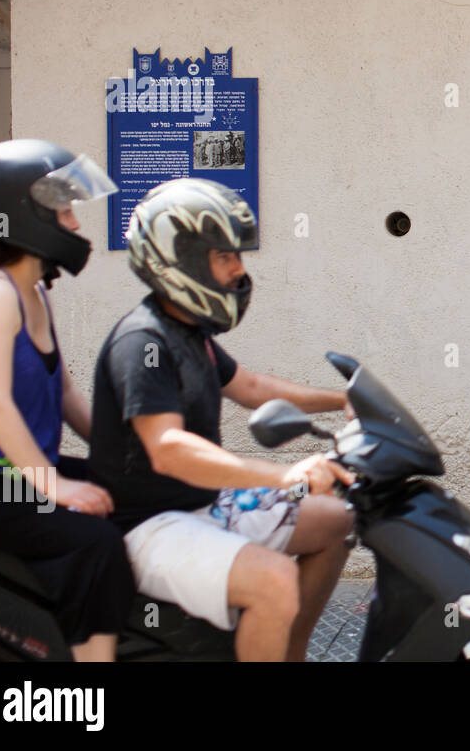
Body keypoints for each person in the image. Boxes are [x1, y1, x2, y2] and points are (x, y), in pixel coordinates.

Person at [89, 177, 354, 661]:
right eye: (224, 256)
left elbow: (252, 388)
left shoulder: (191, 333)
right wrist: (284, 474)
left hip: (203, 506)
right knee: (272, 582)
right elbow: (168, 449)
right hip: (151, 526)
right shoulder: (142, 342)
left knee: (338, 519)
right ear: (180, 260)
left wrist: (345, 400)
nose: (238, 270)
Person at [0, 139, 134, 660]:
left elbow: (66, 393)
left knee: (142, 494)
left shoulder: (33, 292)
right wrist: (55, 485)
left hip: (23, 471)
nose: (75, 225)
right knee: (94, 543)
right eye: (64, 209)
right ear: (20, 214)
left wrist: (119, 455)